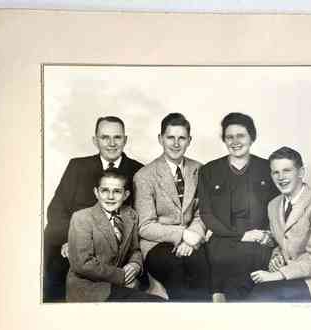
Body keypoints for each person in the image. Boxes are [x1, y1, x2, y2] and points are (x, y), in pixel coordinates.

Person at [44, 116, 143, 302]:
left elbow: (138, 216)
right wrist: (71, 240)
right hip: (74, 241)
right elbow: (56, 210)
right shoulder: (77, 166)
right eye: (105, 137)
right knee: (55, 263)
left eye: (117, 137)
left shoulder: (139, 171)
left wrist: (135, 263)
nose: (111, 143)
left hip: (114, 246)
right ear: (95, 140)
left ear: (125, 140)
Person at [198, 112, 279, 301]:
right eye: (229, 137)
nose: (235, 142)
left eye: (241, 136)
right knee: (223, 261)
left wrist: (268, 235)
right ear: (224, 140)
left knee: (254, 271)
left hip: (259, 238)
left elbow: (277, 208)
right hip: (223, 238)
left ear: (252, 137)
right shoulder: (209, 170)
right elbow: (206, 213)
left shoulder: (267, 168)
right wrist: (241, 235)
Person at [133, 113, 210, 301]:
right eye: (170, 137)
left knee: (202, 265)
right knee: (176, 269)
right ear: (161, 139)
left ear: (189, 140)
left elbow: (202, 213)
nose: (176, 144)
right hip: (157, 244)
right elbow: (145, 226)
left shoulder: (200, 170)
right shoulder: (144, 176)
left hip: (193, 240)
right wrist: (182, 234)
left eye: (181, 138)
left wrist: (192, 238)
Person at [249, 146, 311, 302]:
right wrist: (277, 257)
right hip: (290, 275)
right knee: (248, 289)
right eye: (275, 172)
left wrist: (279, 274)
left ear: (301, 172)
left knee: (260, 297)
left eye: (287, 171)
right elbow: (282, 241)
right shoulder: (273, 205)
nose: (281, 177)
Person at [66, 170, 164, 302]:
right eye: (104, 191)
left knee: (159, 302)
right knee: (156, 303)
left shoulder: (130, 215)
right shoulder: (82, 218)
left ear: (126, 195)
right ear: (96, 192)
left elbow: (134, 249)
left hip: (119, 286)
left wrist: (135, 265)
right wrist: (122, 276)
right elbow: (83, 264)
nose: (110, 197)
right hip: (90, 289)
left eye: (117, 191)